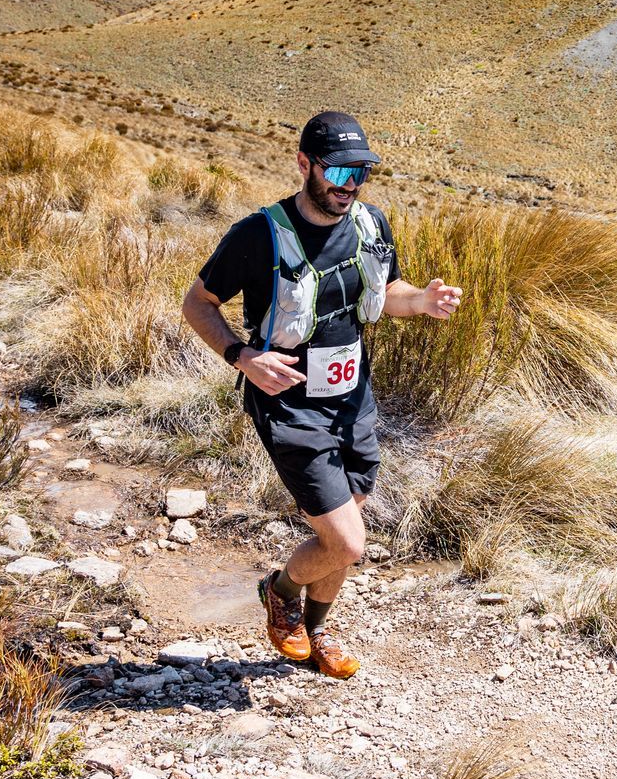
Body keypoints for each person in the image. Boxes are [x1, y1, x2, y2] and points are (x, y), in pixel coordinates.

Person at [181, 110, 462, 677]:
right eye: (337, 172)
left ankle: (316, 632)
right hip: (289, 406)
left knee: (344, 531)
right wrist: (242, 357)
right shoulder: (257, 235)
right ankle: (279, 591)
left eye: (360, 173)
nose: (349, 186)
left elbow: (388, 293)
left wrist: (422, 301)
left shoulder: (371, 225)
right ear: (305, 164)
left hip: (353, 399)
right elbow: (197, 304)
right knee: (348, 542)